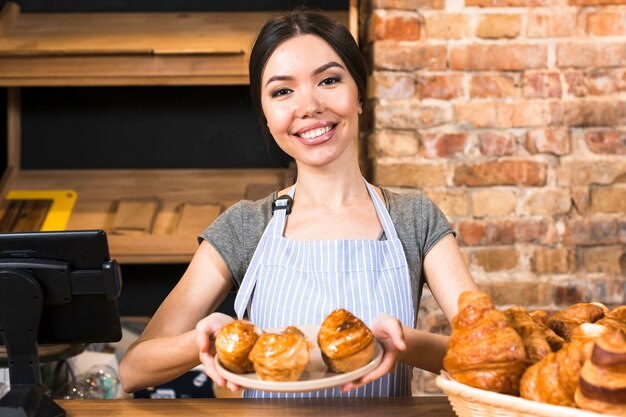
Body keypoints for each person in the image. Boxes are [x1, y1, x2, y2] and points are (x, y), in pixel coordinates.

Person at [119, 8, 478, 398]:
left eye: (328, 80)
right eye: (282, 91)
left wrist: (403, 342)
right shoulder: (245, 226)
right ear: (267, 116)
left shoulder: (413, 219)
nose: (308, 106)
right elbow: (134, 370)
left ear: (359, 94)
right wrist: (202, 341)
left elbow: (485, 353)